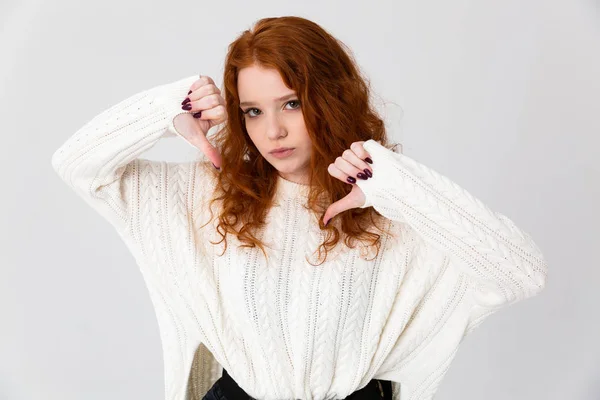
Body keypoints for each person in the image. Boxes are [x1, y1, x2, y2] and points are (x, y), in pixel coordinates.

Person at [51, 15, 548, 400]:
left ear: (329, 98)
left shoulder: (391, 207)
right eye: (252, 111)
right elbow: (77, 166)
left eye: (290, 103)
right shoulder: (205, 195)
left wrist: (398, 185)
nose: (272, 132)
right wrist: (164, 110)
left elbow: (522, 274)